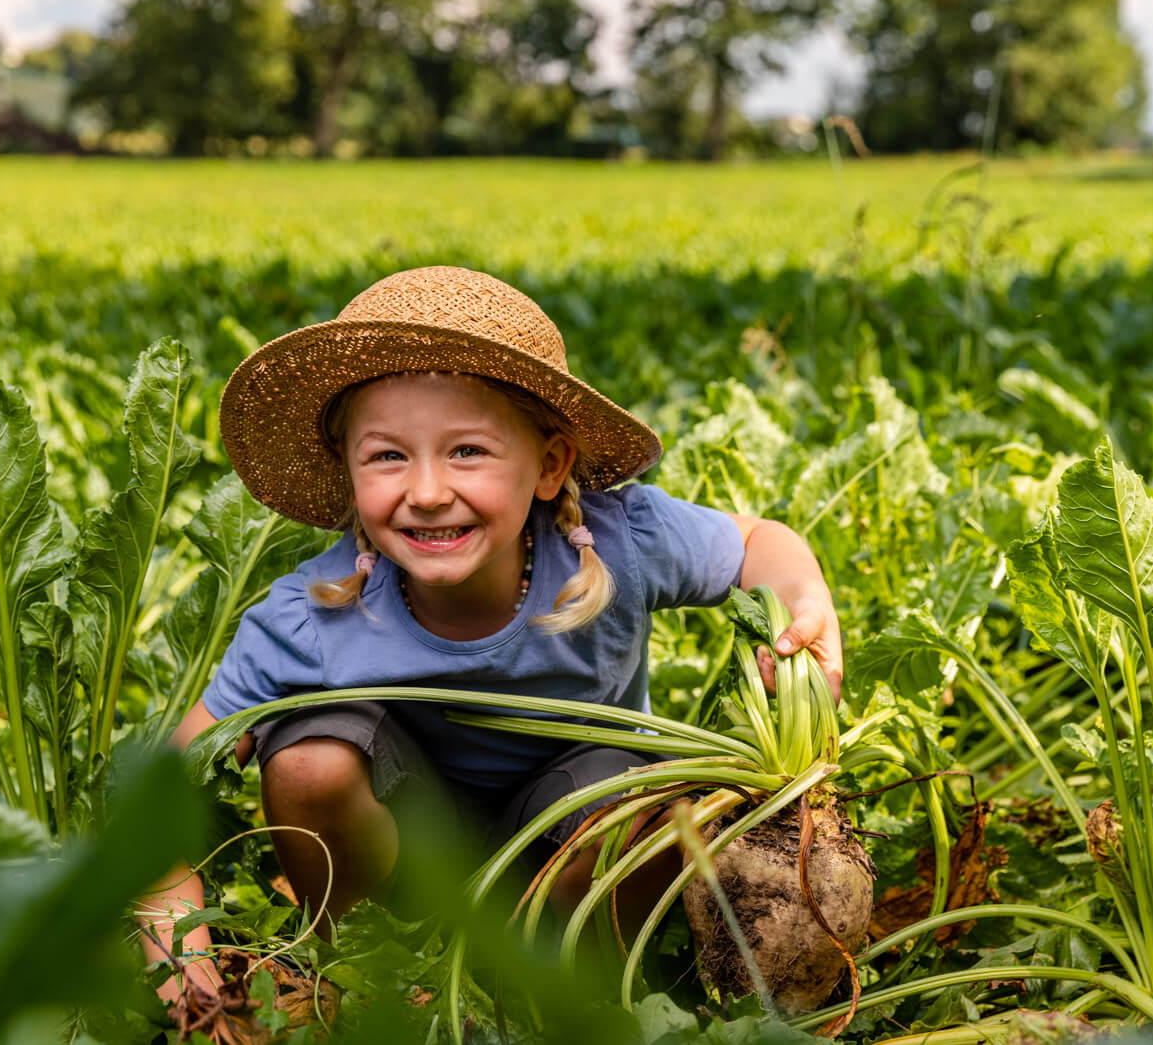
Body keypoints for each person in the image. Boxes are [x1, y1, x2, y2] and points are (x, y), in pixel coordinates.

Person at [138, 265, 843, 1013]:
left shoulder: (616, 540)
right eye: (387, 455)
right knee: (308, 758)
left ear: (549, 465)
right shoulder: (310, 616)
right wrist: (176, 941)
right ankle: (366, 971)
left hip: (568, 831)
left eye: (467, 451)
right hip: (403, 852)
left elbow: (757, 542)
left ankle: (542, 981)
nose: (430, 489)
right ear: (348, 474)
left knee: (649, 811)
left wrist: (805, 601)